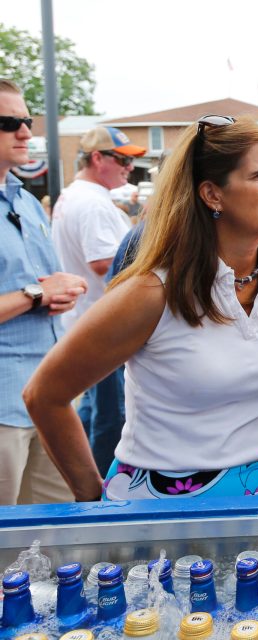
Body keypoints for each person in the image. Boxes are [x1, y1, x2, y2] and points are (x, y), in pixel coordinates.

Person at [24, 115, 258, 502]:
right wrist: (90, 499)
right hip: (162, 507)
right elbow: (44, 395)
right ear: (212, 194)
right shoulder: (151, 292)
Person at [0, 78, 87, 505]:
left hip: (48, 398)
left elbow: (45, 286)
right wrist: (36, 293)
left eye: (26, 121)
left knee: (54, 538)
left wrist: (59, 294)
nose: (24, 132)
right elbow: (36, 289)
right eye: (7, 122)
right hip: (3, 408)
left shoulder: (28, 202)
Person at [51, 125, 146, 477]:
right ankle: (103, 498)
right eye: (122, 159)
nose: (128, 168)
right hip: (104, 329)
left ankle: (83, 483)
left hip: (87, 322)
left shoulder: (76, 196)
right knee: (111, 417)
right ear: (97, 158)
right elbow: (106, 263)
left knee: (94, 411)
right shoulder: (92, 202)